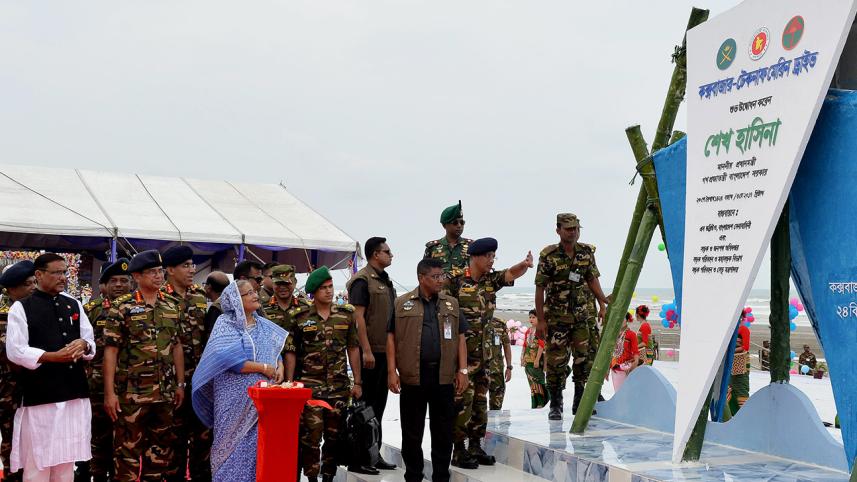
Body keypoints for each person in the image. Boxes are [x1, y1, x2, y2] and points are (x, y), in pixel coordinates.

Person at [5, 253, 96, 481]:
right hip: (41, 395)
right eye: (56, 272)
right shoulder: (22, 307)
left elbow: (90, 340)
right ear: (39, 275)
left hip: (73, 392)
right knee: (39, 462)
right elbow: (15, 350)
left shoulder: (73, 303)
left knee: (66, 463)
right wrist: (52, 356)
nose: (62, 277)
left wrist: (84, 345)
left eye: (64, 272)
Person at [447, 237, 532, 468]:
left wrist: (524, 265)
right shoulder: (455, 282)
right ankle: (458, 450)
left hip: (485, 357)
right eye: (488, 256)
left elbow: (509, 274)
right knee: (461, 404)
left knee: (479, 405)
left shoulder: (489, 281)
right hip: (463, 357)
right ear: (474, 256)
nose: (491, 260)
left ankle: (475, 446)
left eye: (494, 256)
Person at [102, 250, 186, 482]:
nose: (159, 276)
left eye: (160, 271)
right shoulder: (122, 307)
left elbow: (176, 345)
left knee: (160, 455)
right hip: (131, 395)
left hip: (165, 393)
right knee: (127, 454)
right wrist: (109, 394)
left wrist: (180, 383)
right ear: (137, 277)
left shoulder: (172, 305)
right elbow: (111, 351)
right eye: (152, 272)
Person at [191, 280, 286, 481]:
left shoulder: (263, 324)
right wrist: (264, 368)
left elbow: (276, 351)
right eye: (248, 293)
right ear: (235, 300)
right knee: (230, 446)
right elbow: (231, 360)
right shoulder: (225, 324)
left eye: (254, 291)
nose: (255, 295)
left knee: (256, 450)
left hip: (261, 401)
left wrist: (279, 366)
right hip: (233, 400)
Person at [387, 258, 468, 482]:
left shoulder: (451, 303)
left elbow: (460, 337)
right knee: (412, 432)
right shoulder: (402, 303)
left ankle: (441, 476)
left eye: (442, 276)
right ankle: (413, 476)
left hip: (443, 376)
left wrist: (463, 370)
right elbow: (391, 337)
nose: (440, 280)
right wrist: (391, 371)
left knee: (443, 432)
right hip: (413, 377)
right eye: (435, 276)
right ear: (421, 278)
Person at [284, 267, 367, 482]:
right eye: (324, 288)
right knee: (311, 439)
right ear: (313, 292)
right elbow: (291, 351)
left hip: (339, 389)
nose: (329, 292)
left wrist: (357, 382)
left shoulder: (345, 315)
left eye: (331, 287)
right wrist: (290, 383)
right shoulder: (300, 317)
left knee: (334, 439)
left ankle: (328, 477)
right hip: (310, 390)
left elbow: (353, 348)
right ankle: (311, 478)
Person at [535, 213, 609, 419]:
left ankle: (580, 401)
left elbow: (592, 278)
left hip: (580, 318)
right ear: (558, 230)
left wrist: (603, 299)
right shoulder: (549, 256)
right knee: (557, 362)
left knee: (583, 361)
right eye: (568, 229)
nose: (573, 232)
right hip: (556, 319)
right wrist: (540, 320)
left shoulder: (585, 253)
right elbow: (540, 289)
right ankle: (556, 404)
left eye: (576, 228)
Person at [346, 237, 397, 471]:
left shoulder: (385, 281)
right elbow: (358, 318)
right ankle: (359, 459)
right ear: (376, 254)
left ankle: (374, 454)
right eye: (387, 251)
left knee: (378, 409)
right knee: (363, 410)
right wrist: (366, 350)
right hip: (370, 354)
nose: (391, 255)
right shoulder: (362, 280)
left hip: (384, 352)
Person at [161, 246, 211, 482]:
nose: (192, 270)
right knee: (174, 442)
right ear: (170, 270)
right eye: (186, 265)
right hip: (172, 383)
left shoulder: (200, 296)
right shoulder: (160, 297)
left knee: (203, 440)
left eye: (193, 265)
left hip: (200, 381)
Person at [82, 258, 131, 482]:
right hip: (98, 386)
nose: (120, 285)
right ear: (104, 285)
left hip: (131, 386)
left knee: (126, 440)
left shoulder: (139, 310)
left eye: (124, 280)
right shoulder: (91, 311)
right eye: (114, 281)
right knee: (98, 437)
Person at [0, 260, 37, 482]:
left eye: (34, 282)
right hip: (8, 389)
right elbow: (9, 352)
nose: (33, 287)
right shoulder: (4, 314)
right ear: (12, 289)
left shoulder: (34, 308)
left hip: (30, 388)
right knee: (12, 438)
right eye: (27, 284)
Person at [423, 201, 473, 279]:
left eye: (462, 222)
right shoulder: (433, 248)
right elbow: (425, 273)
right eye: (455, 223)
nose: (459, 226)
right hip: (440, 290)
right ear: (444, 225)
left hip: (466, 289)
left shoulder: (472, 246)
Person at [263, 264, 311, 332]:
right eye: (278, 283)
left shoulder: (307, 307)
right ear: (273, 284)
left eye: (286, 283)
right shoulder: (262, 308)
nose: (282, 287)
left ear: (295, 282)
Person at [521, 310, 547, 409]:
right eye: (530, 317)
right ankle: (535, 403)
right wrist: (522, 358)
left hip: (536, 361)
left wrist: (537, 360)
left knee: (539, 382)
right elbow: (524, 345)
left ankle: (542, 402)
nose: (531, 319)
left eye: (533, 317)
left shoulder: (540, 330)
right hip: (528, 361)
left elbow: (541, 345)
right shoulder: (528, 331)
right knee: (532, 384)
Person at [486, 316, 512, 410]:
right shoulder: (474, 322)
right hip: (478, 371)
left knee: (496, 406)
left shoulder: (499, 324)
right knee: (477, 406)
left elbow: (507, 346)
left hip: (496, 371)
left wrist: (509, 367)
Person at [610, 313, 639, 392]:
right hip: (614, 367)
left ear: (627, 320)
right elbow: (610, 352)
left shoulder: (631, 334)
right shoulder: (613, 334)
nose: (620, 321)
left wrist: (635, 362)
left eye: (622, 319)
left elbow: (635, 351)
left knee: (625, 392)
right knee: (617, 392)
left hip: (625, 368)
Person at [727, 323, 751, 415]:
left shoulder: (743, 329)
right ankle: (733, 413)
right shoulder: (730, 329)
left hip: (741, 362)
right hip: (731, 362)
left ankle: (743, 414)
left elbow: (746, 347)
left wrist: (731, 351)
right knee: (730, 388)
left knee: (741, 388)